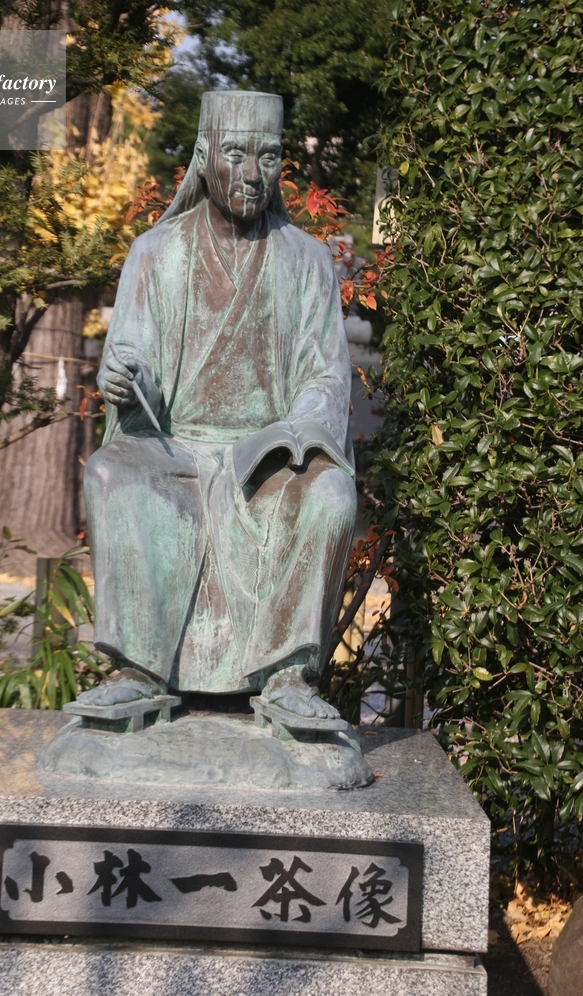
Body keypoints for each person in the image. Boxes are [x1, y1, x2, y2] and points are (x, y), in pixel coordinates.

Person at [82, 91, 356, 720]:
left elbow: (325, 375)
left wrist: (297, 431)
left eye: (269, 157)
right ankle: (139, 669)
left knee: (331, 496)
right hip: (174, 449)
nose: (253, 173)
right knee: (112, 474)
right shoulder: (156, 252)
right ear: (204, 157)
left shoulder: (307, 259)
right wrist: (128, 381)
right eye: (236, 153)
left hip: (265, 459)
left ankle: (288, 677)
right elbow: (135, 359)